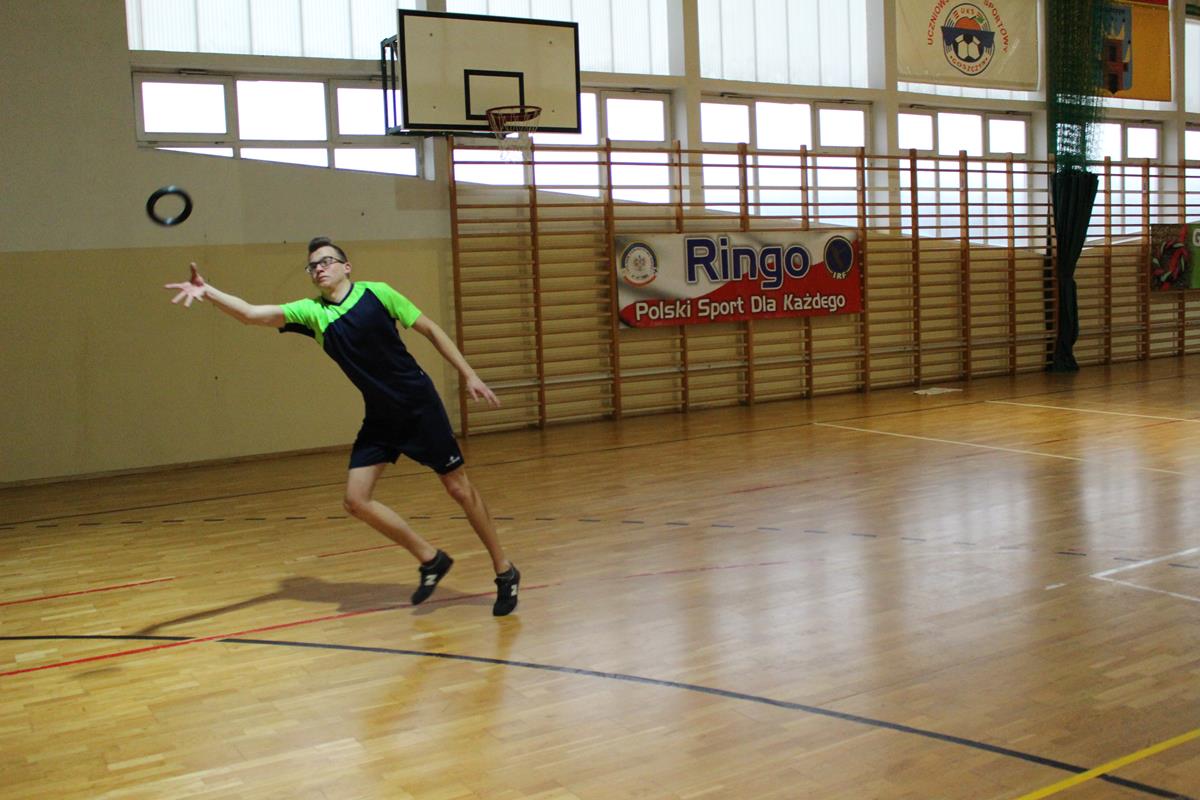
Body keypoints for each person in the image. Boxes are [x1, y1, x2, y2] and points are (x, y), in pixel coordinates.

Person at [165, 237, 520, 616]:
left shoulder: (378, 293)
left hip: (419, 407)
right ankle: (431, 559)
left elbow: (431, 329)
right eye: (313, 265)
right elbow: (252, 314)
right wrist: (208, 291)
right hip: (381, 417)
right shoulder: (312, 314)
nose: (319, 268)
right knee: (356, 500)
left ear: (346, 267)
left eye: (327, 261)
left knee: (459, 489)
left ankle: (505, 571)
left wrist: (469, 374)